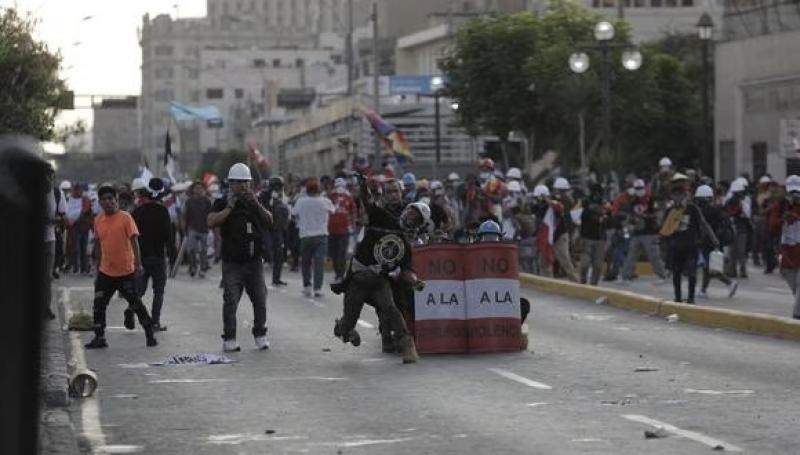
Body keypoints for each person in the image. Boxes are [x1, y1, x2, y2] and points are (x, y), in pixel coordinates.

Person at [331, 176, 428, 364]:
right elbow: (367, 202)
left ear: (419, 225)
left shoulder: (406, 246)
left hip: (379, 281)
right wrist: (363, 186)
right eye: (410, 213)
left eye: (416, 219)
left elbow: (406, 270)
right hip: (358, 278)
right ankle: (343, 329)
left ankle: (407, 345)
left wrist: (415, 281)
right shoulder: (382, 217)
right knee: (348, 321)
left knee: (390, 308)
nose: (410, 218)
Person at [208, 163, 273, 352]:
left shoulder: (256, 201)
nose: (244, 186)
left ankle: (260, 334)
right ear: (231, 183)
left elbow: (270, 221)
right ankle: (229, 338)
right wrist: (229, 208)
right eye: (239, 182)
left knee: (260, 299)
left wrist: (256, 205)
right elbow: (211, 221)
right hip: (232, 263)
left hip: (254, 262)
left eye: (246, 182)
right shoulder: (222, 201)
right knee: (231, 300)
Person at [84, 185, 158, 349]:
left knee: (135, 303)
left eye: (110, 198)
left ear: (116, 200)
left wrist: (138, 264)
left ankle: (149, 333)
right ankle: (99, 337)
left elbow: (134, 242)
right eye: (104, 199)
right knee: (99, 304)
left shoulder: (125, 218)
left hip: (125, 271)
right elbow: (98, 244)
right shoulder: (98, 220)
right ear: (100, 202)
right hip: (105, 271)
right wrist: (97, 267)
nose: (107, 202)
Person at [659, 174, 717, 304]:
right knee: (676, 274)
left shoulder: (692, 209)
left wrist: (714, 240)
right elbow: (664, 231)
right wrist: (664, 248)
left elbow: (704, 223)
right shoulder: (670, 211)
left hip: (691, 246)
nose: (678, 197)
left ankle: (691, 299)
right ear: (672, 196)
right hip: (675, 248)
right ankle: (678, 298)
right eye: (675, 195)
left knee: (692, 273)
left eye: (681, 194)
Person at [132, 178, 175, 331]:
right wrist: (172, 255)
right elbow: (168, 236)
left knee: (139, 290)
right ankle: (155, 322)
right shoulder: (163, 211)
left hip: (141, 257)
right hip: (158, 257)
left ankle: (131, 309)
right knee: (159, 291)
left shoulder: (138, 211)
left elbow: (132, 235)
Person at [617, 179, 667, 282]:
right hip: (637, 232)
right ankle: (626, 276)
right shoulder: (633, 201)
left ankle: (662, 275)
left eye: (640, 188)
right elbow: (631, 214)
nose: (638, 190)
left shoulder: (651, 199)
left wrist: (646, 216)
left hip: (650, 232)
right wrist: (631, 221)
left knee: (654, 256)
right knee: (631, 255)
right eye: (637, 188)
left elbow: (658, 214)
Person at [292, 178, 335, 297]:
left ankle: (307, 286)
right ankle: (317, 288)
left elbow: (293, 213)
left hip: (305, 235)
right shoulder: (325, 201)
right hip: (321, 235)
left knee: (305, 262)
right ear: (319, 189)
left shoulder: (301, 201)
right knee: (319, 263)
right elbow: (333, 211)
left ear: (307, 189)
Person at [694, 185, 738, 298]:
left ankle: (729, 283)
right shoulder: (716, 209)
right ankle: (704, 290)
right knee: (709, 267)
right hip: (715, 242)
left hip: (710, 243)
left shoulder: (705, 211)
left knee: (711, 268)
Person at [769, 175, 800, 319]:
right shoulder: (780, 206)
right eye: (792, 192)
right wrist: (783, 218)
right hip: (787, 252)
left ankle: (797, 316)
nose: (795, 196)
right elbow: (772, 226)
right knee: (795, 288)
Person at [261, 176, 290, 286]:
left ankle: (276, 278)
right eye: (278, 186)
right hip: (266, 228)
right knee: (266, 251)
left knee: (279, 254)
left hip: (277, 228)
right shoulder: (264, 195)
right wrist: (270, 200)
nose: (279, 188)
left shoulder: (282, 196)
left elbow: (286, 209)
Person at [327, 177, 356, 282]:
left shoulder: (349, 197)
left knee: (342, 253)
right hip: (332, 229)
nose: (340, 188)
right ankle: (337, 272)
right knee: (334, 253)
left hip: (345, 229)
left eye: (342, 186)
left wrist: (352, 224)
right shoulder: (330, 197)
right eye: (338, 186)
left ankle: (341, 274)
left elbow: (353, 211)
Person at [579, 184, 607, 286]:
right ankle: (583, 281)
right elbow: (582, 216)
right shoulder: (586, 204)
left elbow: (608, 219)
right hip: (587, 238)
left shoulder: (604, 205)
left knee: (598, 265)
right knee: (584, 263)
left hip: (600, 239)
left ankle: (594, 284)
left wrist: (603, 215)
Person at [183, 181, 212, 278]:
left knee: (203, 250)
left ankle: (203, 268)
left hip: (204, 228)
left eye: (200, 188)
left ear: (203, 189)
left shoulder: (207, 201)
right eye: (196, 188)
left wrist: (210, 225)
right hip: (192, 228)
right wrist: (185, 228)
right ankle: (193, 267)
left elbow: (210, 214)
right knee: (191, 249)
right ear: (193, 190)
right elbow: (185, 215)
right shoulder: (189, 201)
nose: (198, 190)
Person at [724, 178, 751, 278]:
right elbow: (727, 213)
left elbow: (747, 215)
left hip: (741, 229)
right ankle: (732, 271)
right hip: (733, 228)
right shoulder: (729, 202)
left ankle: (742, 271)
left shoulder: (744, 202)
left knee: (741, 251)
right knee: (733, 251)